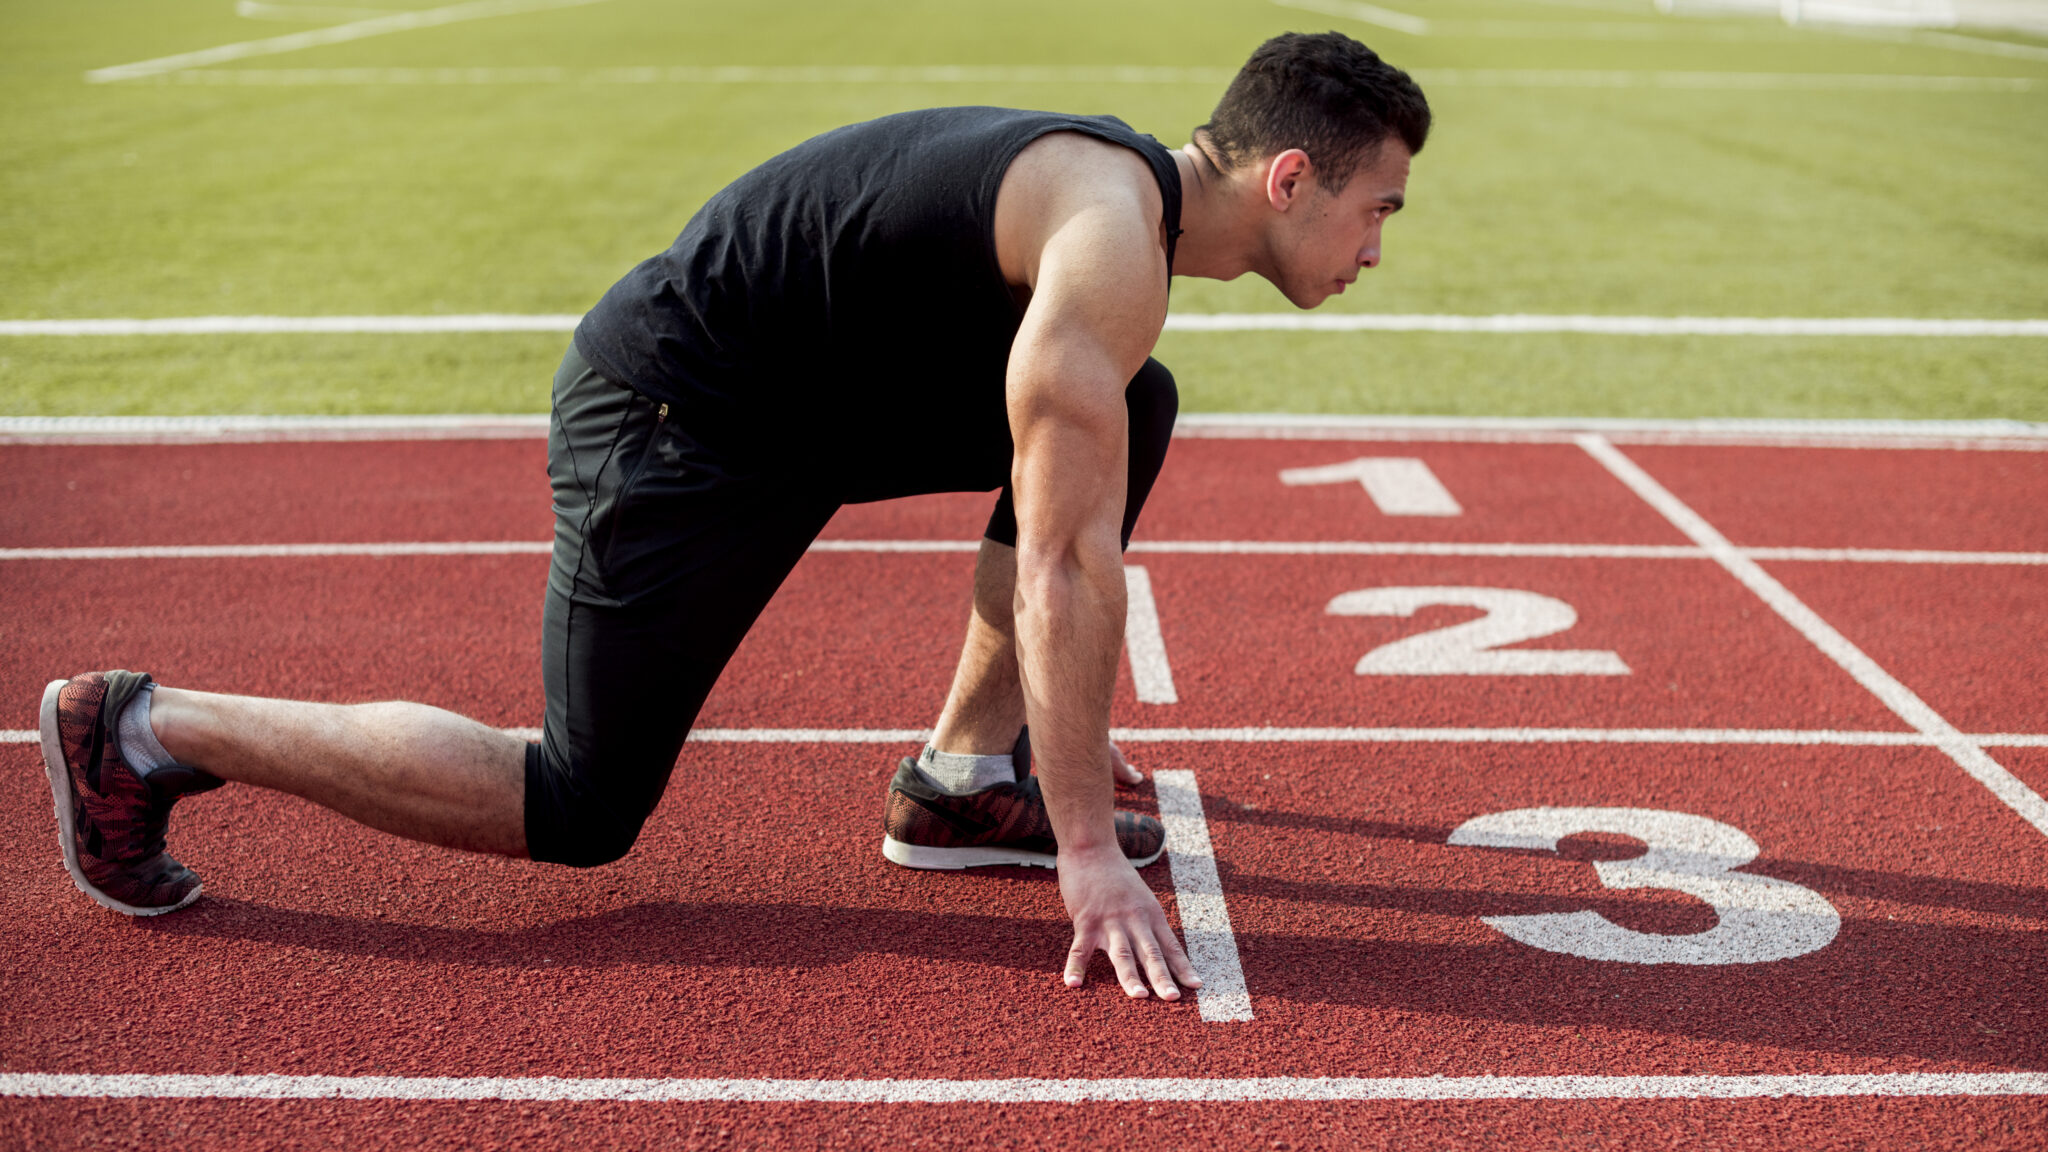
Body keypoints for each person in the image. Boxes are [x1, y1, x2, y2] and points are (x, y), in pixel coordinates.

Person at [37, 31, 1428, 1003]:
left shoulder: (1120, 218)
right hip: (673, 418)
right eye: (1377, 209)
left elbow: (1066, 501)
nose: (1377, 250)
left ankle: (954, 783)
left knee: (1140, 401)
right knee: (580, 802)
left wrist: (1059, 749)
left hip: (801, 402)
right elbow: (1064, 561)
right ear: (1288, 179)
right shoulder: (1113, 243)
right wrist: (1082, 853)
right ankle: (146, 728)